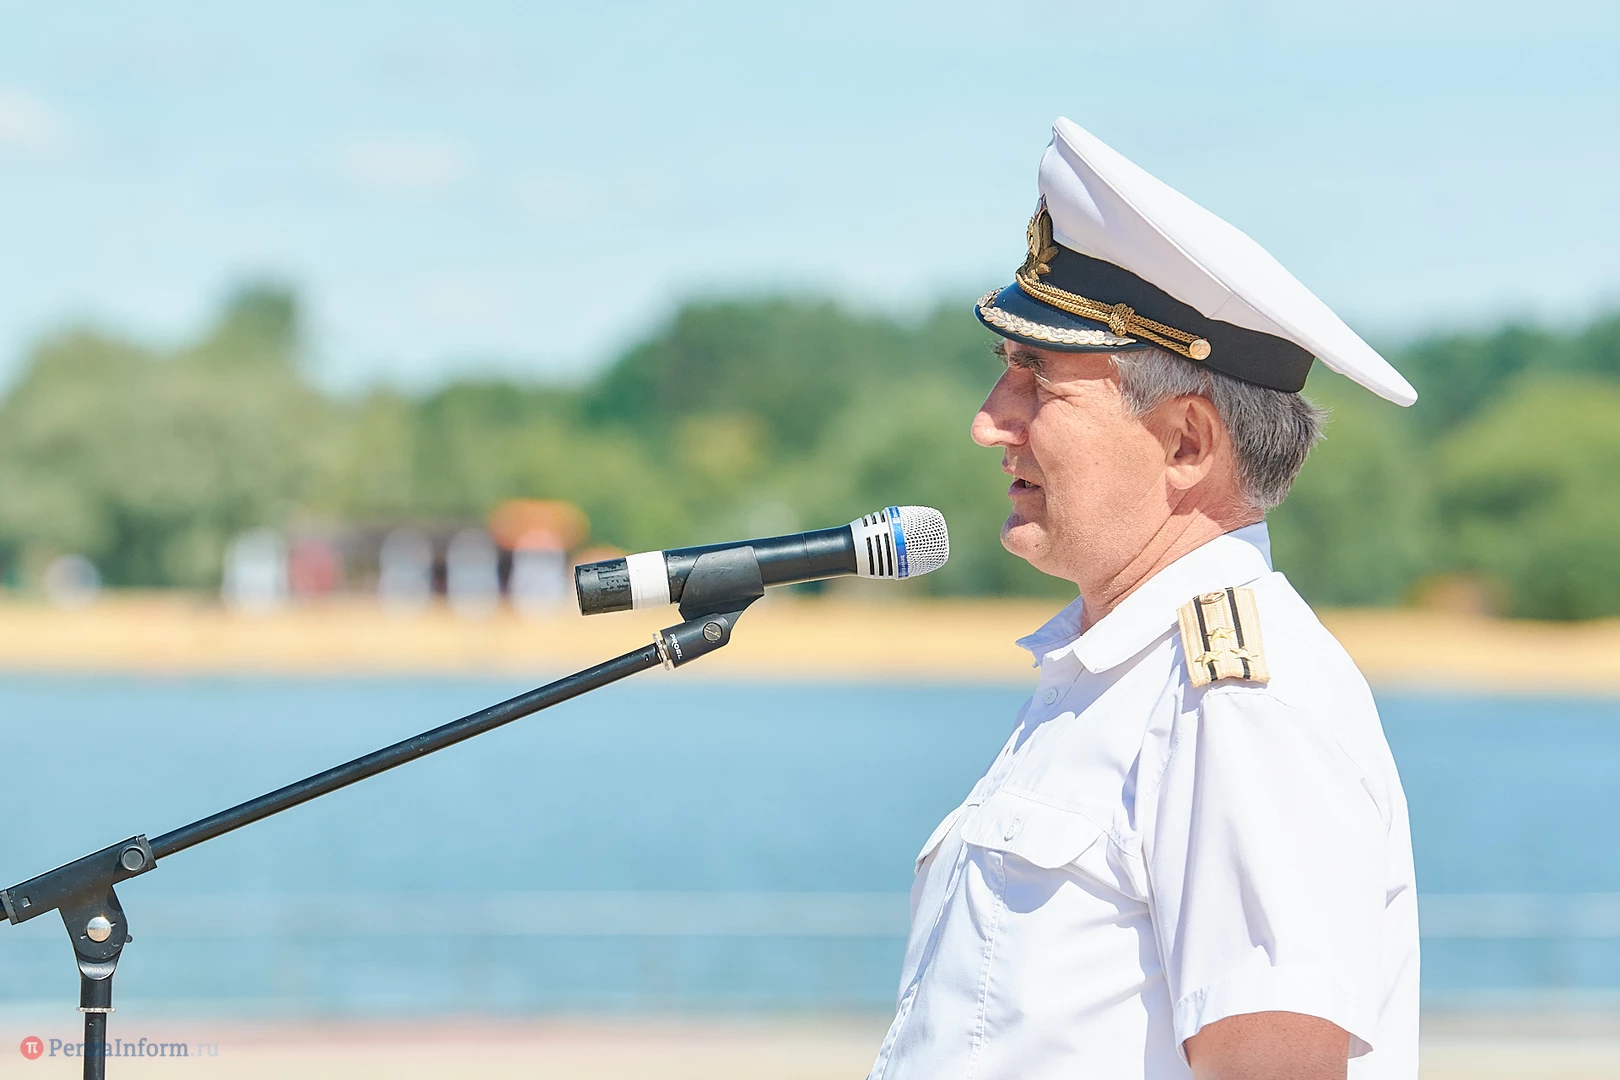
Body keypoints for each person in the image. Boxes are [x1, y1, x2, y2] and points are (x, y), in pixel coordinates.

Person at [866, 118, 1420, 1080]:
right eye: (1003, 371)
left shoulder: (1236, 700)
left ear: (1186, 445)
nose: (990, 423)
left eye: (1040, 381)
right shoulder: (1124, 671)